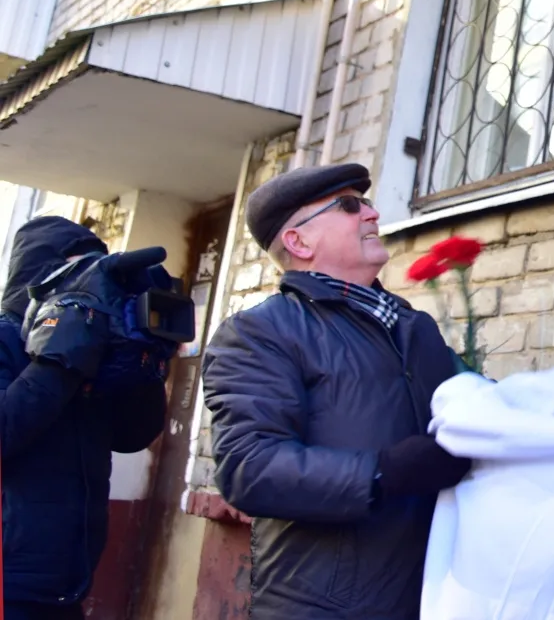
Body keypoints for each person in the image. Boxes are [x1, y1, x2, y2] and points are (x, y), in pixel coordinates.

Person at [202, 164, 469, 620]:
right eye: (349, 206)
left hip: (428, 596)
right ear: (299, 242)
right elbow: (248, 467)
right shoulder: (260, 333)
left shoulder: (414, 327)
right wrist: (381, 473)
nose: (372, 214)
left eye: (367, 203)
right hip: (324, 607)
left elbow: (474, 400)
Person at [2, 217, 167, 620]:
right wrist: (63, 349)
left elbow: (132, 436)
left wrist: (141, 360)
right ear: (42, 275)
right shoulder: (6, 337)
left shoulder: (90, 343)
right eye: (79, 268)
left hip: (67, 582)